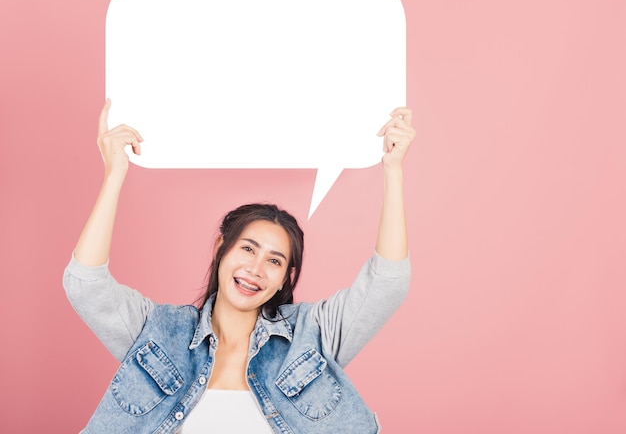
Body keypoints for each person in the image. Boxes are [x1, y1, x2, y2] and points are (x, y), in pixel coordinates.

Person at [64, 100, 415, 434]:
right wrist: (114, 176)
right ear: (221, 249)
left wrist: (393, 170)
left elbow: (387, 282)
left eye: (274, 261)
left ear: (283, 280)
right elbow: (85, 285)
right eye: (248, 248)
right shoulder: (157, 332)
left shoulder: (315, 334)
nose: (256, 268)